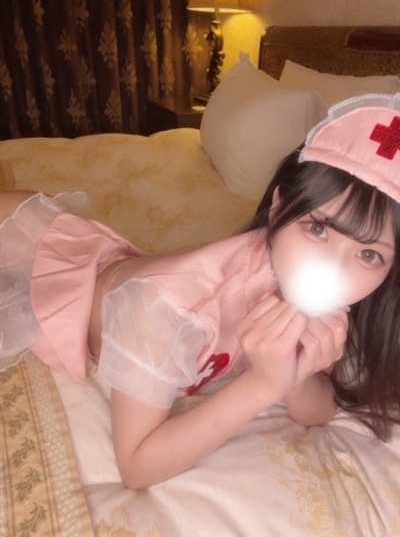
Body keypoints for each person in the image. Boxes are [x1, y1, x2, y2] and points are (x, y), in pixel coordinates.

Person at [1, 93, 399, 490]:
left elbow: (318, 410)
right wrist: (260, 385)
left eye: (369, 254)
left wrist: (294, 376)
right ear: (278, 207)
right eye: (318, 228)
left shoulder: (320, 297)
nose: (335, 268)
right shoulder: (166, 305)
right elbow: (137, 467)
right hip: (40, 260)